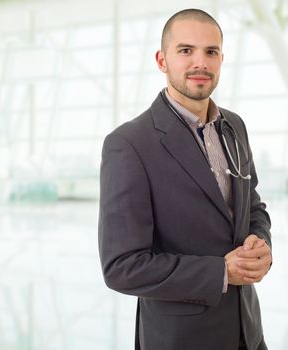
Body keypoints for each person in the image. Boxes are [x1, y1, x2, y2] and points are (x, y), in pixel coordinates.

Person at [98, 8, 272, 350]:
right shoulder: (130, 144)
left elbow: (253, 207)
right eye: (185, 51)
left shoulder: (234, 127)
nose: (200, 63)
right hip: (180, 340)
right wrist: (221, 273)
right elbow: (121, 266)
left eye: (211, 52)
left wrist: (260, 244)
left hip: (248, 333)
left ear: (222, 59)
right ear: (162, 60)